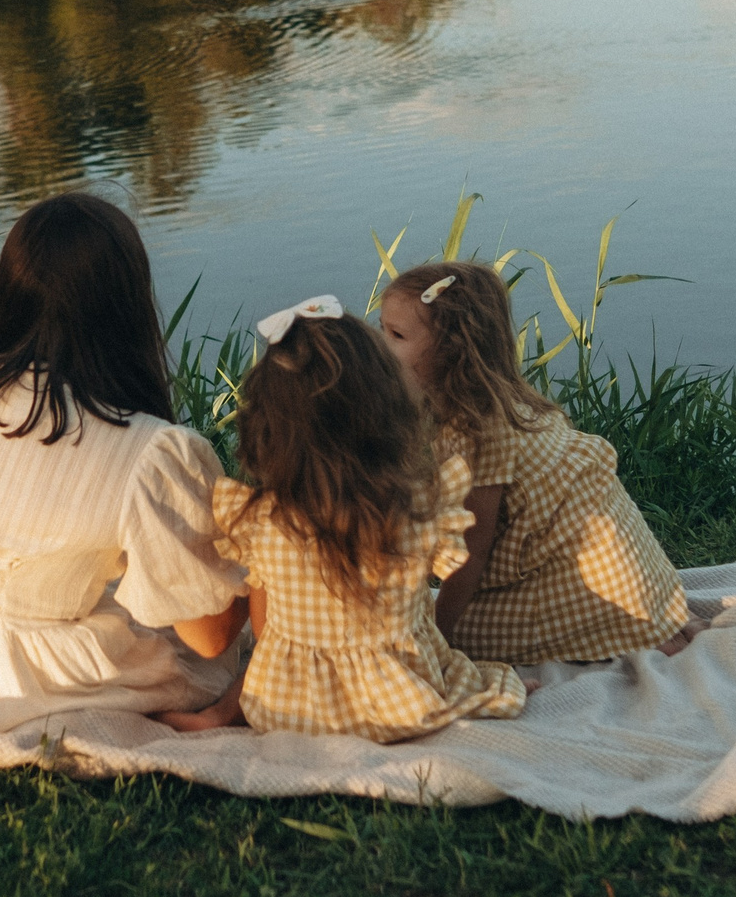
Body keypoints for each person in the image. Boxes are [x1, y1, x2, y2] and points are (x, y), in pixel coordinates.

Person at [0, 194, 248, 733]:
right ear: (127, 307)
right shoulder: (151, 450)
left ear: (8, 292)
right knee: (211, 653)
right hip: (28, 691)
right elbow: (209, 636)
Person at [155, 297, 524, 741]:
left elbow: (267, 634)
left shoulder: (260, 521)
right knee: (471, 663)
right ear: (389, 409)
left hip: (288, 709)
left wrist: (222, 712)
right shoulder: (420, 507)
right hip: (403, 704)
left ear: (267, 426)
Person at [375, 261, 698, 665]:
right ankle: (643, 620)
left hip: (589, 570)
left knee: (464, 638)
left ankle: (626, 628)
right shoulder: (479, 398)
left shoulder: (476, 430)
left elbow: (471, 553)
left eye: (397, 335)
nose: (381, 346)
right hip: (602, 555)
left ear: (452, 348)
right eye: (382, 330)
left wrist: (438, 639)